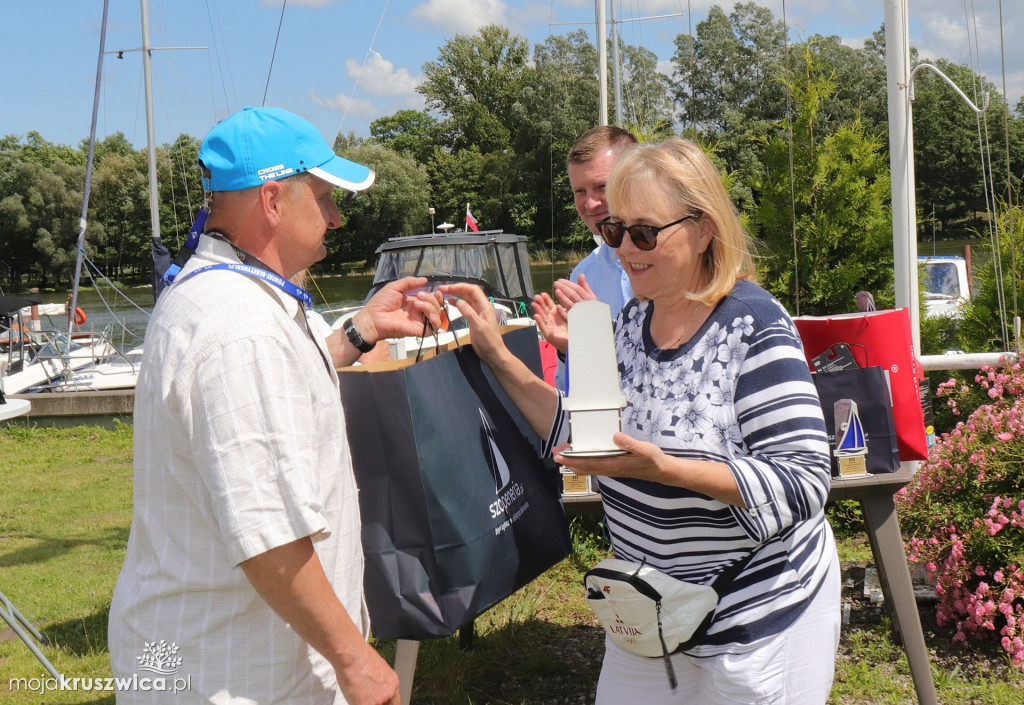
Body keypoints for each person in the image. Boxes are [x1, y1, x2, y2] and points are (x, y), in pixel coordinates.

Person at [442, 138, 839, 704]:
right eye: (615, 231)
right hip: (652, 612)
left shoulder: (752, 325)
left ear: (703, 229)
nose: (627, 248)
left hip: (754, 619)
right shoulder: (632, 322)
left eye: (645, 232)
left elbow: (804, 482)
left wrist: (666, 469)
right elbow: (585, 434)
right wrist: (497, 354)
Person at [108, 106, 443, 705]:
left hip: (221, 654)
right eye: (324, 197)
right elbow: (268, 531)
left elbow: (285, 380)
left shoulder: (220, 295)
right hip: (235, 674)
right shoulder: (242, 327)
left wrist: (361, 331)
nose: (337, 219)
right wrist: (355, 660)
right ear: (271, 201)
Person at [532, 126, 637, 388]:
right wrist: (569, 350)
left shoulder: (673, 264)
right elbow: (569, 390)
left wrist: (603, 335)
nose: (589, 204)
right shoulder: (584, 274)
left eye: (601, 186)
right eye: (580, 191)